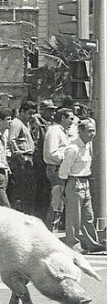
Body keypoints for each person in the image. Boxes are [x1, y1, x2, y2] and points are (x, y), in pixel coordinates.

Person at [59, 118, 105, 253]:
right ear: (81, 132)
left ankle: (92, 243)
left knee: (88, 216)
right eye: (90, 131)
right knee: (74, 217)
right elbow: (64, 170)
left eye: (94, 131)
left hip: (85, 182)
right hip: (75, 182)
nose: (93, 134)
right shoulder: (73, 148)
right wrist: (63, 188)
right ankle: (73, 245)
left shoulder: (87, 146)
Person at [43, 107, 75, 232]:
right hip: (56, 169)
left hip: (61, 169)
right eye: (70, 119)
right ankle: (51, 230)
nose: (72, 122)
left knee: (59, 201)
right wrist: (68, 158)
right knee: (57, 201)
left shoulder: (62, 131)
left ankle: (53, 229)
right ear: (63, 118)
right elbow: (52, 153)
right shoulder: (54, 131)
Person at [29, 99, 57, 222]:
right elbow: (35, 142)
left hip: (48, 162)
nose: (52, 113)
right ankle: (39, 217)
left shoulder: (51, 124)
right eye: (50, 110)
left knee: (48, 192)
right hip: (39, 163)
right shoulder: (37, 123)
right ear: (42, 111)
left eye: (53, 111)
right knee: (41, 192)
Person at [7, 101, 36, 214]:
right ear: (22, 111)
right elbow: (11, 140)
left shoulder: (25, 124)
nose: (31, 116)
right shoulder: (16, 123)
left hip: (27, 160)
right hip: (21, 162)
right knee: (19, 190)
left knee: (26, 191)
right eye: (29, 113)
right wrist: (21, 158)